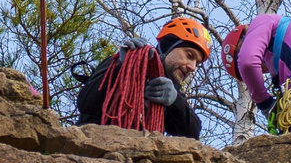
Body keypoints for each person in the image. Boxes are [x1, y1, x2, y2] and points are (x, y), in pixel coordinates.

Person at [75, 16, 213, 139]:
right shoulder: (117, 64)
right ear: (168, 47)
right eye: (189, 55)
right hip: (95, 146)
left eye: (197, 63)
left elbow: (193, 133)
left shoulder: (170, 94)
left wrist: (175, 102)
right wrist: (121, 69)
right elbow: (86, 104)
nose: (192, 67)